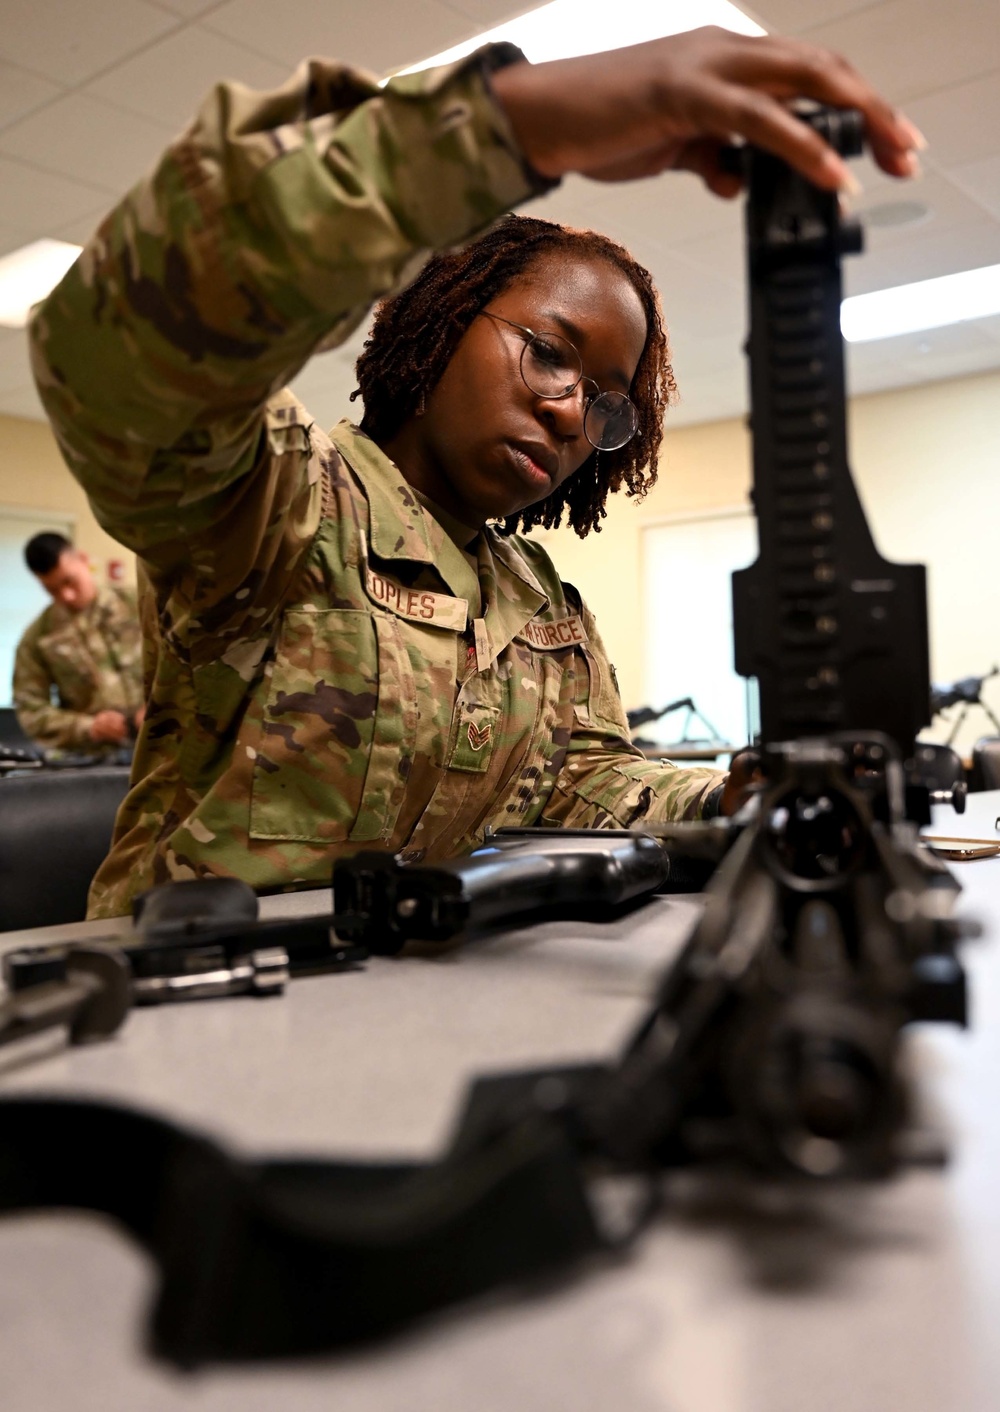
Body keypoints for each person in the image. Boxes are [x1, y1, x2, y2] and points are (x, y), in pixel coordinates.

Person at [28, 27, 921, 918]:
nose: (574, 412)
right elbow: (122, 347)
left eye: (607, 404)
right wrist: (501, 128)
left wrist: (728, 799)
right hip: (186, 1014)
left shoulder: (541, 602)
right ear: (441, 321)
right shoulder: (283, 501)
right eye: (549, 354)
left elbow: (585, 778)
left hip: (415, 1004)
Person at [12, 531, 145, 757]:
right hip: (92, 760)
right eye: (51, 589)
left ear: (83, 560)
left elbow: (184, 660)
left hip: (162, 747)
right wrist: (87, 727)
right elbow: (30, 710)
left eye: (69, 581)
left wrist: (161, 709)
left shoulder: (139, 605)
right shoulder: (38, 638)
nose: (66, 595)